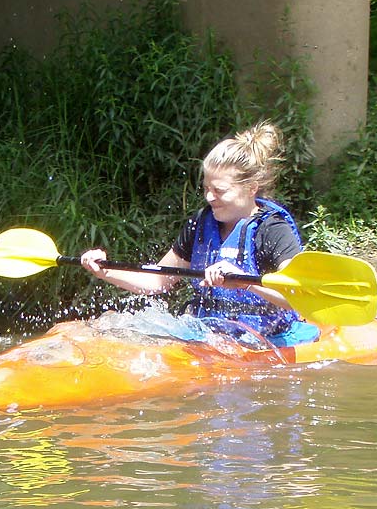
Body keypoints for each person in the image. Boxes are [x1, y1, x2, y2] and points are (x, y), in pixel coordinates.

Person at [80, 121, 321, 348]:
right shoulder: (201, 223)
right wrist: (105, 270)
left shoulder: (273, 229)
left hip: (269, 340)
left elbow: (299, 296)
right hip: (210, 337)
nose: (209, 197)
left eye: (219, 190)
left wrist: (246, 283)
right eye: (206, 188)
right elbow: (157, 281)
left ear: (251, 188)